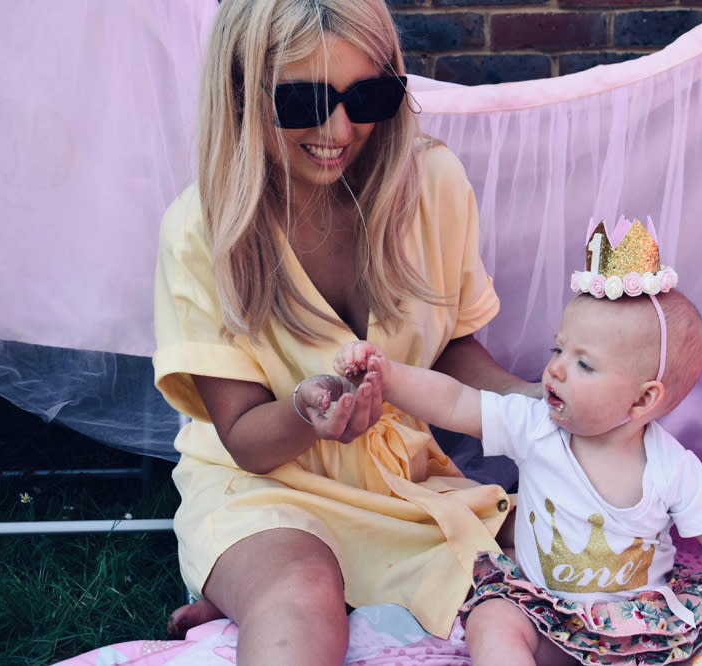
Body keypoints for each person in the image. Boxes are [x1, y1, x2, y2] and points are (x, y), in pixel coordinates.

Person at [152, 0, 537, 664]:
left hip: (403, 487)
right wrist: (311, 411)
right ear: (240, 93)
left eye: (369, 95)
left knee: (555, 583)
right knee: (300, 586)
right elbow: (243, 438)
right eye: (303, 102)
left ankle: (246, 600)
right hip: (267, 486)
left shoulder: (433, 184)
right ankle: (254, 578)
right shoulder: (200, 231)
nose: (340, 128)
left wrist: (537, 401)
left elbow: (452, 351)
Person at [330, 218, 702, 665]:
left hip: (643, 622)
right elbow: (453, 402)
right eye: (558, 350)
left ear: (642, 401)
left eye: (583, 364)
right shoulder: (534, 424)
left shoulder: (669, 466)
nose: (556, 371)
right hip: (552, 613)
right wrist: (390, 377)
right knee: (493, 620)